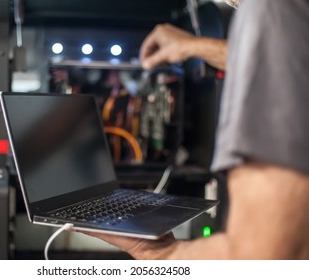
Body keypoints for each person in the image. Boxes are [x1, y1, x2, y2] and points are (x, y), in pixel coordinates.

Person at [82, 0, 309, 259]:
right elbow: (283, 59)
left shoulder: (273, 9)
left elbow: (262, 257)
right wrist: (194, 46)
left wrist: (159, 254)